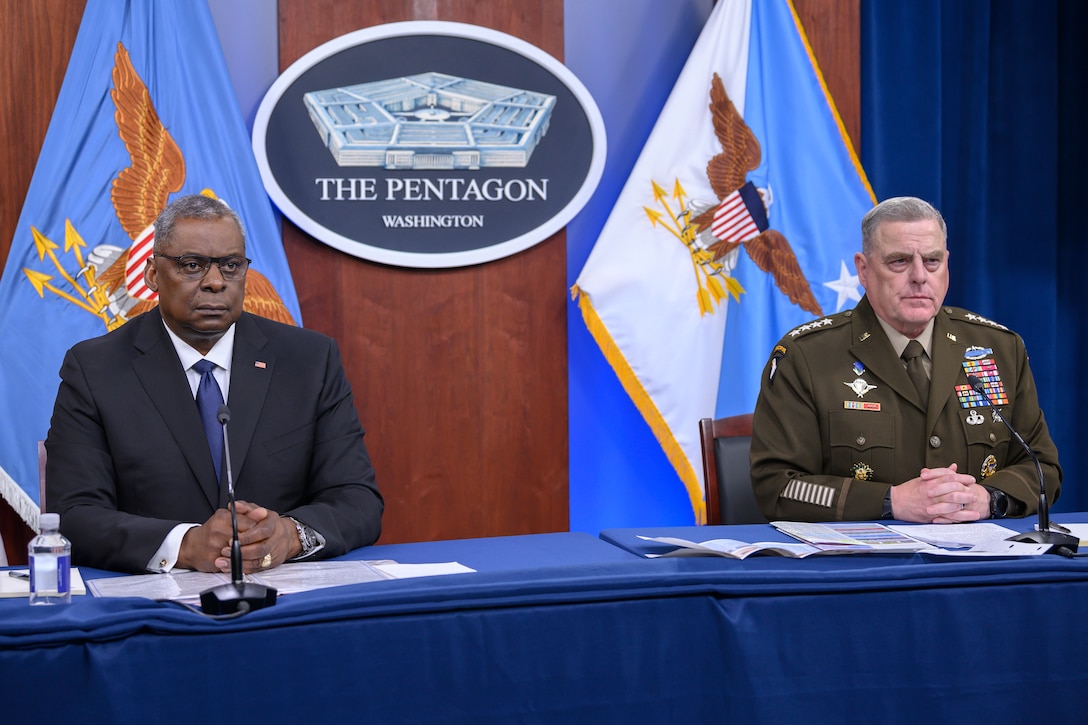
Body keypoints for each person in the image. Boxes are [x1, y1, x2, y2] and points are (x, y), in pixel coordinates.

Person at [46, 194, 383, 573]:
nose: (215, 283)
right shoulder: (96, 368)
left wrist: (290, 535)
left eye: (231, 266)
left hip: (282, 598)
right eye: (192, 266)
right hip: (155, 609)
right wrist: (185, 545)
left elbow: (357, 499)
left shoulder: (307, 361)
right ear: (152, 274)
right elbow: (73, 515)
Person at [750, 196, 1059, 523]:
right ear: (864, 270)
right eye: (899, 261)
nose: (919, 276)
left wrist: (989, 498)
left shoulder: (998, 349)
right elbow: (778, 486)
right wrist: (890, 501)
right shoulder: (806, 356)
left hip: (978, 561)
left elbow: (1043, 468)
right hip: (862, 566)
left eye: (932, 261)